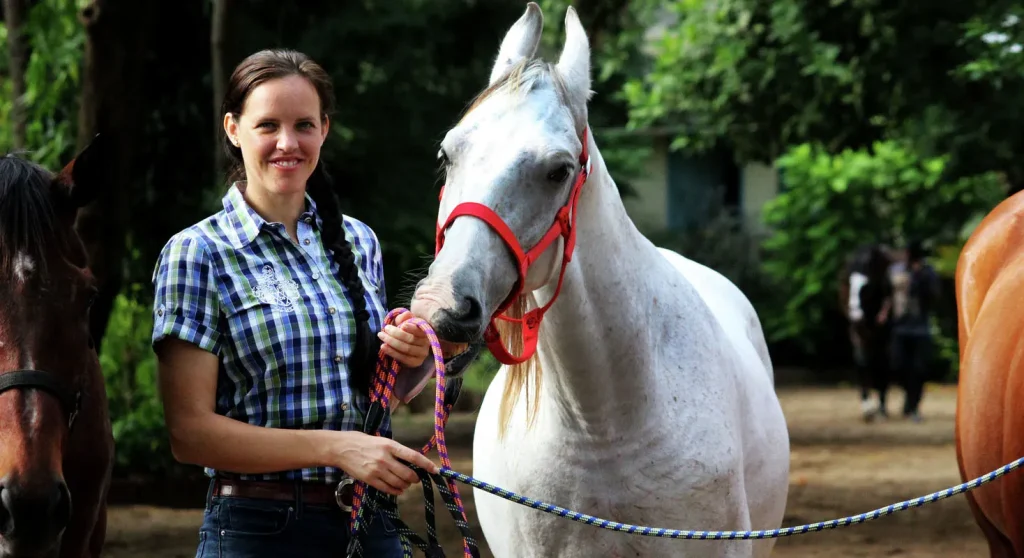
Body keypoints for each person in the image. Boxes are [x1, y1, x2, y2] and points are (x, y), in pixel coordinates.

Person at [150, 48, 474, 558]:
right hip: (257, 531)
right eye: (267, 125)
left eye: (304, 124)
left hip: (370, 524)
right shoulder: (197, 254)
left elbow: (367, 399)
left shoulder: (358, 241)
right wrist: (338, 449)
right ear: (233, 129)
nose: (287, 143)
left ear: (324, 128)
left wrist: (411, 358)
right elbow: (190, 434)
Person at [889, 239, 940, 422]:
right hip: (900, 328)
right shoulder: (897, 271)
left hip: (920, 329)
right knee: (898, 366)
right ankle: (908, 399)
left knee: (919, 370)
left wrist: (920, 277)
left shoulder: (927, 272)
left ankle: (914, 405)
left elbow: (934, 295)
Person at [844, 243, 894, 421]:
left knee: (880, 361)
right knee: (862, 360)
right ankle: (866, 398)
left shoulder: (881, 278)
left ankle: (880, 402)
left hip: (875, 325)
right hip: (859, 323)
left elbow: (888, 297)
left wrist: (883, 313)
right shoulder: (856, 274)